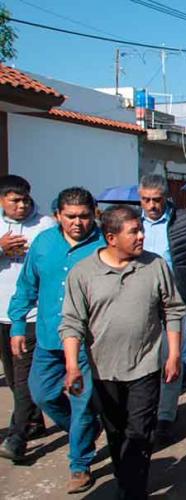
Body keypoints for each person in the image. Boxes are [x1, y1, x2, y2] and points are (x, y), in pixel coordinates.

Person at [60, 205, 186, 500]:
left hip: (145, 366)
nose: (142, 236)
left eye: (141, 230)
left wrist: (174, 354)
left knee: (140, 433)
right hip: (104, 370)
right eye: (134, 232)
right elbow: (72, 322)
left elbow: (173, 309)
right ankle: (127, 482)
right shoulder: (84, 273)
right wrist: (72, 366)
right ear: (111, 237)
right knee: (116, 433)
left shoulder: (154, 266)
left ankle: (132, 492)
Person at [6, 188, 102, 492]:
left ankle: (80, 464)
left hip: (88, 343)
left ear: (94, 213)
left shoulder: (103, 244)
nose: (77, 223)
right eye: (70, 216)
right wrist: (18, 324)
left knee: (82, 403)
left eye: (84, 216)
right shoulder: (44, 243)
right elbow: (26, 285)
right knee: (42, 393)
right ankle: (85, 429)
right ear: (58, 215)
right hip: (48, 337)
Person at [137, 174, 186, 441]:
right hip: (140, 301)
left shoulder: (184, 222)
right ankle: (144, 409)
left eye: (157, 200)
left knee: (172, 357)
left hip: (176, 300)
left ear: (166, 197)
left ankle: (165, 416)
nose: (152, 205)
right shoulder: (132, 223)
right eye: (146, 200)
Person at [0, 175, 54, 460]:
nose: (21, 206)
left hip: (31, 315)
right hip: (2, 314)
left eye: (25, 200)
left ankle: (16, 438)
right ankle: (34, 422)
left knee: (23, 379)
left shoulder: (45, 226)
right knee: (12, 377)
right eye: (14, 200)